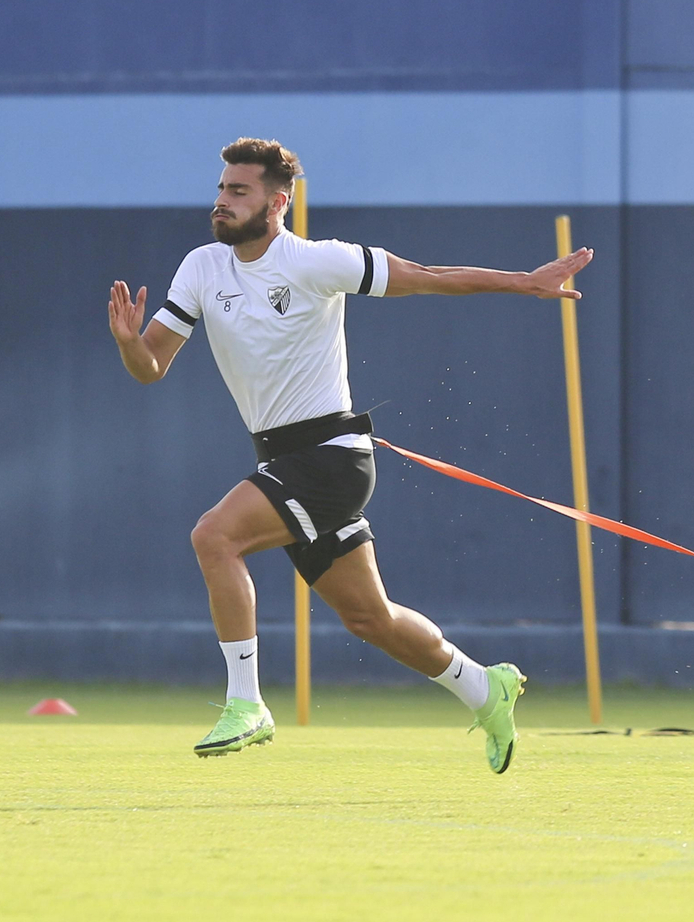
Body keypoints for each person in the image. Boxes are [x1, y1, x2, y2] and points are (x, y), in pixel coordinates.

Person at [107, 137, 592, 771]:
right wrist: (126, 343)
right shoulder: (200, 267)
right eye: (221, 189)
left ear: (278, 202)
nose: (222, 202)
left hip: (331, 455)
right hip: (283, 461)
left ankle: (245, 702)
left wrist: (526, 283)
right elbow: (150, 368)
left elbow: (428, 278)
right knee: (372, 618)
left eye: (239, 191)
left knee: (213, 537)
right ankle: (485, 686)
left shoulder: (318, 262)